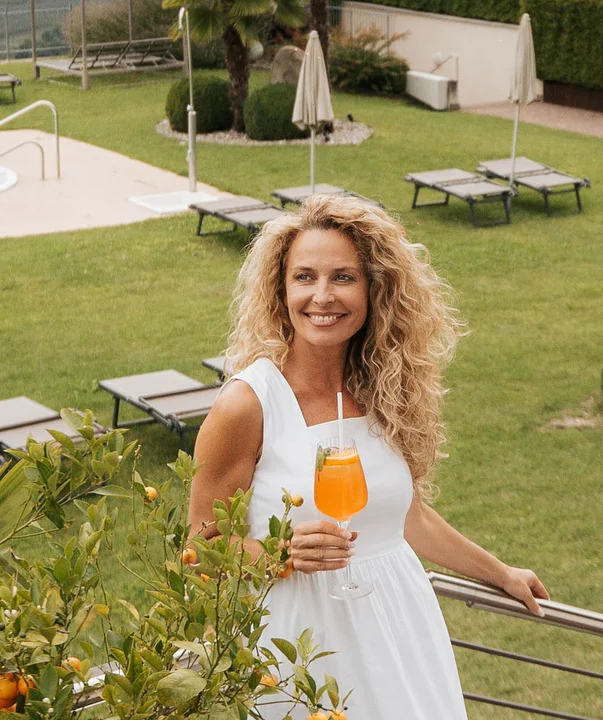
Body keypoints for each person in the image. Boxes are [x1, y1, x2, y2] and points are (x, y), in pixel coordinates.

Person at [190, 196, 548, 718]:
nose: (321, 296)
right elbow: (198, 549)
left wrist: (500, 574)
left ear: (373, 289)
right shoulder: (248, 404)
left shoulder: (380, 389)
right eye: (305, 277)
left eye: (343, 278)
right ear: (280, 289)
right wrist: (277, 552)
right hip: (303, 646)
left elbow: (406, 518)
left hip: (400, 633)